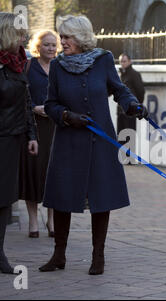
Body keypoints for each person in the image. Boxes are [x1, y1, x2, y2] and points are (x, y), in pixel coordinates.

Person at [39, 15, 148, 275]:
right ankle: (59, 255)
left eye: (67, 37)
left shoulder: (103, 60)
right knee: (62, 197)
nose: (62, 42)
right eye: (61, 37)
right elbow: (51, 104)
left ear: (82, 38)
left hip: (100, 140)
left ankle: (98, 256)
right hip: (68, 140)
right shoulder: (57, 67)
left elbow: (118, 89)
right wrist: (66, 116)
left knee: (101, 198)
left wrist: (131, 104)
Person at [0, 12, 38, 274]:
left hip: (11, 141)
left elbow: (26, 101)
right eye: (20, 32)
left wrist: (31, 135)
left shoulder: (20, 63)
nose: (24, 37)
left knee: (4, 200)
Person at [19, 30, 61, 238]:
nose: (51, 48)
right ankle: (33, 221)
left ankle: (52, 220)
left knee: (52, 173)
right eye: (47, 44)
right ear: (38, 46)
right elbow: (21, 95)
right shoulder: (28, 66)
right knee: (33, 172)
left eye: (54, 45)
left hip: (55, 126)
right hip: (33, 126)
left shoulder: (60, 67)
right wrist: (34, 108)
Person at [117, 53, 145, 162]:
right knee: (121, 134)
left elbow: (140, 91)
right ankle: (121, 157)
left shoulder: (134, 74)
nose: (122, 63)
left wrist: (137, 107)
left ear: (130, 61)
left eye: (124, 61)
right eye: (121, 61)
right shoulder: (121, 75)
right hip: (120, 110)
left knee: (129, 133)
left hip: (130, 110)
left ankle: (130, 159)